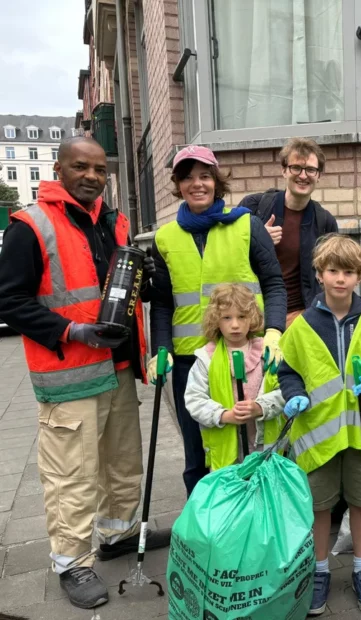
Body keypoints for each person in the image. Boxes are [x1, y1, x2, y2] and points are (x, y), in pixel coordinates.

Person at [0, 137, 170, 610]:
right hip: (69, 374)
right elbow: (8, 301)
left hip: (118, 368)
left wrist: (149, 279)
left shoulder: (114, 223)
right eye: (80, 167)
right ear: (59, 170)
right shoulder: (31, 226)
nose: (92, 176)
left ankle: (119, 535)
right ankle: (72, 562)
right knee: (71, 475)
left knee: (122, 462)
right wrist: (72, 330)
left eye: (98, 169)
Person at [150, 145, 287, 495]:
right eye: (188, 178)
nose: (197, 184)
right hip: (191, 359)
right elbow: (162, 303)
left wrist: (274, 331)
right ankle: (203, 518)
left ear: (217, 181)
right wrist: (160, 349)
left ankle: (251, 510)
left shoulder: (246, 225)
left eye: (205, 176)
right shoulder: (164, 238)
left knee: (249, 445)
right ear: (178, 185)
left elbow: (274, 283)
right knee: (197, 452)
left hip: (246, 353)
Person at [277, 234, 361, 615]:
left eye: (348, 272)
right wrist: (293, 394)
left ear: (359, 276)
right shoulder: (301, 327)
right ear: (319, 274)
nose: (341, 278)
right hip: (317, 437)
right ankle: (319, 571)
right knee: (319, 507)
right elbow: (288, 371)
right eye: (333, 271)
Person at [239, 138, 338, 328]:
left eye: (310, 169)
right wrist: (258, 239)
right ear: (284, 170)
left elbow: (335, 273)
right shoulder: (253, 207)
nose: (303, 175)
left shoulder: (325, 222)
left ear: (318, 175)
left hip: (299, 317)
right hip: (252, 315)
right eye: (296, 168)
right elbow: (229, 254)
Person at [185, 283, 285, 466]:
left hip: (265, 451)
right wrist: (224, 415)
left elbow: (284, 390)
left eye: (242, 316)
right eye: (226, 318)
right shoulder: (207, 358)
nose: (235, 325)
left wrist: (260, 407)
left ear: (252, 317)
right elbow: (194, 399)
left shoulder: (267, 353)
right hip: (226, 454)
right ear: (216, 320)